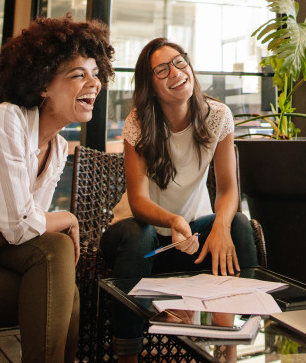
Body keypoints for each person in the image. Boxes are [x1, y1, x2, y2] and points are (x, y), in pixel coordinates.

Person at [0, 15, 115, 363]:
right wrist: (68, 217)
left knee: (54, 258)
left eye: (96, 73)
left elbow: (25, 232)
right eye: (79, 74)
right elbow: (21, 225)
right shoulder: (3, 120)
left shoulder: (57, 147)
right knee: (59, 293)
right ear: (43, 84)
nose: (95, 83)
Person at [99, 37, 257, 363]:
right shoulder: (139, 124)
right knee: (138, 232)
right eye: (162, 69)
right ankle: (126, 354)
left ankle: (228, 345)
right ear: (150, 86)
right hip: (139, 243)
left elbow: (228, 189)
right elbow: (139, 202)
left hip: (186, 241)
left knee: (238, 226)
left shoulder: (218, 116)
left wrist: (222, 227)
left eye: (180, 61)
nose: (176, 72)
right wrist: (171, 220)